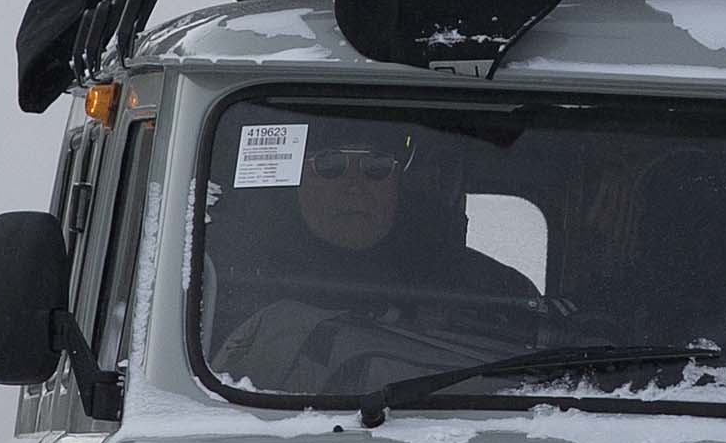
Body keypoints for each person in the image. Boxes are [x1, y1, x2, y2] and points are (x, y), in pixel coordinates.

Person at [207, 115, 538, 390]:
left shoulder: (490, 292)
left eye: (376, 165)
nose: (354, 184)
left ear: (397, 182)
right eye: (330, 164)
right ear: (298, 178)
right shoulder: (223, 278)